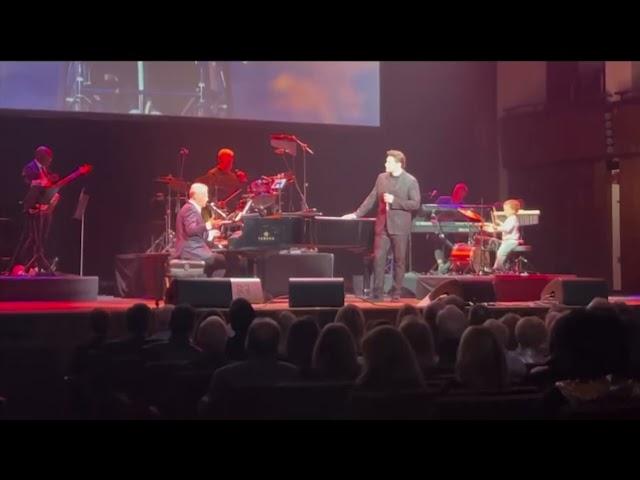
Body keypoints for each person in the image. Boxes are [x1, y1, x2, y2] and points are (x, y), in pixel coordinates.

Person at [342, 150, 420, 301]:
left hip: (400, 226)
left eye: (389, 162)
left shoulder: (410, 181)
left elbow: (415, 203)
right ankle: (377, 293)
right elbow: (371, 198)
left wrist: (394, 200)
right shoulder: (381, 178)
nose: (385, 164)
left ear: (398, 164)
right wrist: (356, 214)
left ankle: (396, 293)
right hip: (382, 224)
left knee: (399, 260)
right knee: (378, 259)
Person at [172, 182, 226, 277]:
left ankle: (209, 286)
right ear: (197, 196)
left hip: (194, 248)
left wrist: (211, 234)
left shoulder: (192, 208)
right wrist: (209, 225)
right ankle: (213, 288)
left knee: (219, 260)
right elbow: (191, 230)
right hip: (191, 250)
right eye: (205, 195)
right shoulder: (190, 209)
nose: (207, 198)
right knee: (223, 260)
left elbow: (196, 233)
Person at [491, 199, 521, 272]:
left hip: (511, 241)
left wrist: (496, 228)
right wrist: (499, 223)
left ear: (513, 210)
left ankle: (499, 268)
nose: (504, 212)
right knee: (499, 253)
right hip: (507, 241)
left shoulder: (513, 219)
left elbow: (507, 229)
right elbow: (505, 226)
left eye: (506, 210)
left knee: (501, 253)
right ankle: (496, 267)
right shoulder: (510, 218)